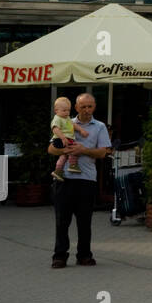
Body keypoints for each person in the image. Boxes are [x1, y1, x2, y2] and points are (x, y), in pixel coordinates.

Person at [47, 93, 112, 268]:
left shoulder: (99, 127)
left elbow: (103, 152)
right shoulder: (64, 121)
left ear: (94, 107)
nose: (87, 110)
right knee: (62, 220)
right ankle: (59, 256)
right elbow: (51, 149)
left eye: (90, 106)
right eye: (83, 106)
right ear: (76, 108)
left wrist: (83, 150)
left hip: (86, 179)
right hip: (64, 178)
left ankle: (84, 255)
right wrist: (66, 151)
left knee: (84, 221)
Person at [50, 96, 85, 180]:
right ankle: (73, 165)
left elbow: (73, 125)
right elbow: (55, 129)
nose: (67, 113)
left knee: (63, 156)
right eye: (64, 110)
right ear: (56, 111)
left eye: (68, 110)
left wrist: (80, 130)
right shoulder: (57, 118)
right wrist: (62, 138)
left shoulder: (67, 118)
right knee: (74, 149)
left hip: (66, 139)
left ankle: (58, 171)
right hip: (61, 139)